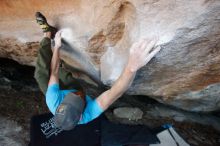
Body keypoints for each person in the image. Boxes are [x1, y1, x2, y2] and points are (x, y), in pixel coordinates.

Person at [34, 12, 161, 131]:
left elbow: (54, 71)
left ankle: (47, 34)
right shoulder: (89, 113)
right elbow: (115, 92)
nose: (77, 95)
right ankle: (64, 70)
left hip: (60, 91)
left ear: (60, 106)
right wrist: (132, 67)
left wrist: (57, 46)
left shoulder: (53, 100)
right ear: (80, 116)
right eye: (78, 99)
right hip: (71, 87)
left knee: (41, 74)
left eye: (70, 98)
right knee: (64, 76)